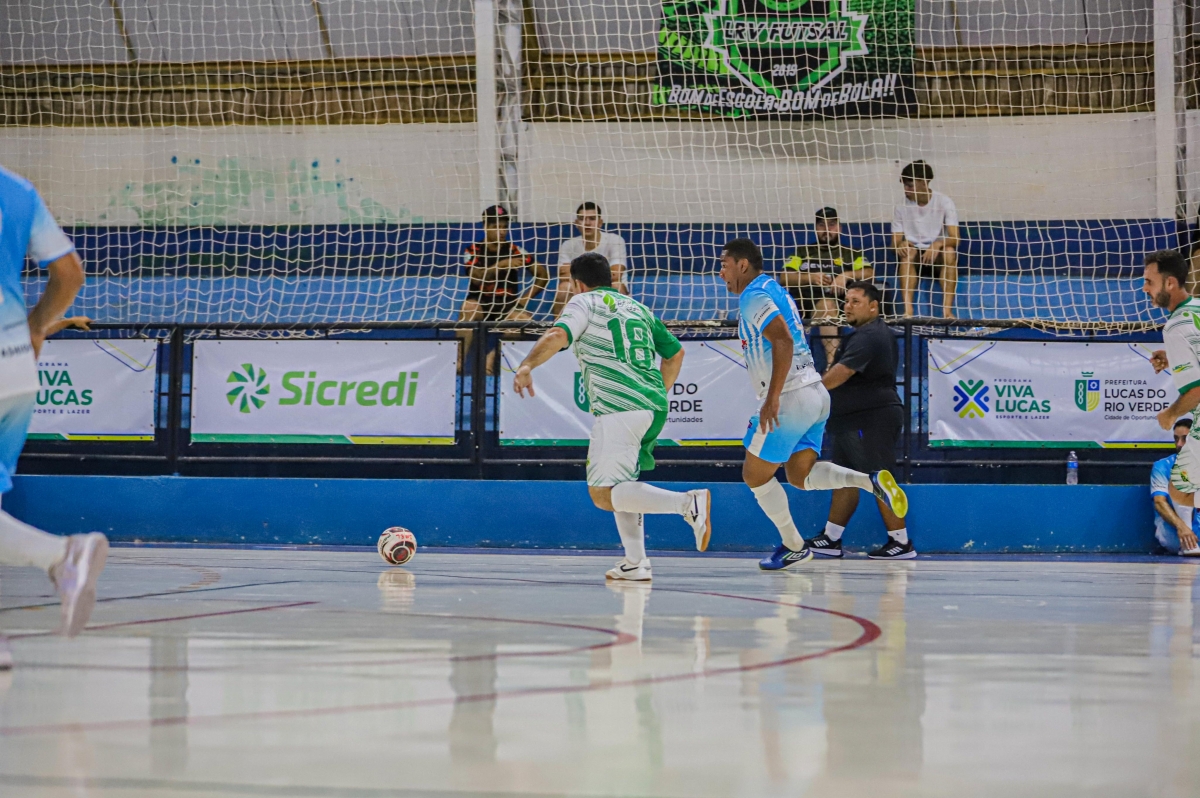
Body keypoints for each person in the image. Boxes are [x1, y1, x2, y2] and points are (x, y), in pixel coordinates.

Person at [513, 252, 710, 581]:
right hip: (652, 406)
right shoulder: (638, 308)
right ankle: (635, 562)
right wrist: (655, 392)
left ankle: (687, 504)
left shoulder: (583, 302)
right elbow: (676, 353)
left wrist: (526, 365)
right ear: (610, 278)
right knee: (622, 484)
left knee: (602, 494)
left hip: (620, 407)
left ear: (577, 283)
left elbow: (557, 335)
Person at [718, 238, 908, 571]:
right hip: (816, 394)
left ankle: (794, 546)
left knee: (754, 475)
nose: (721, 273)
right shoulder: (776, 289)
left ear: (742, 265)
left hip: (790, 394)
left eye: (724, 265)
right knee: (800, 476)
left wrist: (773, 396)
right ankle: (871, 482)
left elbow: (782, 340)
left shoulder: (753, 295)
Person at [0, 165, 109, 668]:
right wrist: (37, 327)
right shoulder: (16, 189)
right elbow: (70, 273)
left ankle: (62, 555)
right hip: (15, 367)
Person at [804, 281, 915, 559]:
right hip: (851, 420)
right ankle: (831, 539)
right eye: (847, 301)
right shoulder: (862, 334)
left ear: (873, 306)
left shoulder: (870, 335)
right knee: (844, 477)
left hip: (872, 419)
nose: (848, 306)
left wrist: (810, 392)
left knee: (880, 478)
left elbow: (842, 372)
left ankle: (901, 543)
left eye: (856, 302)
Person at [459, 204, 549, 372]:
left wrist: (524, 299)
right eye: (496, 227)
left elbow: (543, 275)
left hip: (507, 304)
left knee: (523, 320)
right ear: (485, 227)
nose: (501, 231)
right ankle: (458, 361)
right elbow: (476, 278)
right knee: (468, 308)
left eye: (504, 227)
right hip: (481, 302)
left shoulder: (516, 250)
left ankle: (492, 357)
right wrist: (501, 265)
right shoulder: (473, 250)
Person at [780, 207, 873, 367]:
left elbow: (870, 273)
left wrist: (846, 275)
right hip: (806, 305)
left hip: (842, 304)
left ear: (839, 228)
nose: (827, 229)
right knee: (826, 305)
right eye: (822, 225)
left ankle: (832, 365)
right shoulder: (802, 252)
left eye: (831, 225)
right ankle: (833, 364)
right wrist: (810, 277)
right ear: (816, 228)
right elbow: (784, 278)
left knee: (829, 304)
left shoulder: (851, 253)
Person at [1147, 250, 1200, 529]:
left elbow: (1197, 390)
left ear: (1169, 283)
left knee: (1180, 489)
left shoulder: (1175, 327)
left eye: (1149, 282)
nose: (1145, 288)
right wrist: (1175, 357)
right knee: (1180, 489)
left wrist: (1170, 415)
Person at [892, 160, 959, 319]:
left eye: (910, 186)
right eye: (905, 186)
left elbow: (955, 238)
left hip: (937, 256)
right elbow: (894, 243)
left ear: (923, 183)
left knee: (949, 252)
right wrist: (901, 244)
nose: (906, 190)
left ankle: (947, 311)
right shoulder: (901, 206)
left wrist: (937, 244)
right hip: (915, 255)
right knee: (906, 253)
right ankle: (908, 311)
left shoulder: (944, 202)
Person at [551, 202, 629, 315]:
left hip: (607, 289)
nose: (587, 223)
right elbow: (563, 275)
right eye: (582, 219)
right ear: (576, 223)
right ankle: (560, 324)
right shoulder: (568, 245)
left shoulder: (615, 240)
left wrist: (581, 276)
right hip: (579, 290)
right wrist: (598, 275)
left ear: (600, 222)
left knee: (617, 286)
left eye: (592, 219)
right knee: (564, 288)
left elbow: (616, 275)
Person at [1150, 418, 1200, 556]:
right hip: (1176, 534)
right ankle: (1189, 546)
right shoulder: (1163, 466)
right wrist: (1182, 527)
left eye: (1185, 439)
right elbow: (1159, 502)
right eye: (1176, 439)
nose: (1179, 444)